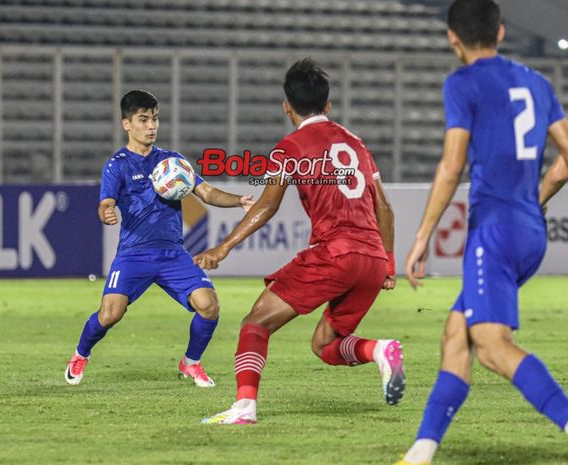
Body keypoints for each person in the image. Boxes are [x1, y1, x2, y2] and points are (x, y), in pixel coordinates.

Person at [395, 1, 568, 464]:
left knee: (491, 346)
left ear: (453, 37)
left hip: (493, 230)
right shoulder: (536, 82)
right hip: (529, 230)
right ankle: (422, 450)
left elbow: (452, 166)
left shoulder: (462, 83)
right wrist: (538, 197)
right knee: (457, 335)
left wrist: (421, 237)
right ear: (502, 32)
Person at [196, 58, 402, 425]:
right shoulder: (357, 145)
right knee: (324, 344)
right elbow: (384, 208)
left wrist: (223, 247)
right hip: (371, 258)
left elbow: (267, 205)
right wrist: (388, 260)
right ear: (328, 105)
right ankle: (379, 350)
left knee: (255, 324)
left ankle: (244, 407)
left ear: (286, 105)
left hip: (334, 254)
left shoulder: (290, 148)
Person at [64, 90, 254, 388]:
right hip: (133, 253)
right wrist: (107, 212)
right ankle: (80, 354)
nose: (151, 126)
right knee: (111, 314)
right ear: (127, 124)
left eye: (155, 119)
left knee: (209, 305)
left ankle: (191, 363)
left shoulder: (173, 161)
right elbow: (105, 204)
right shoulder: (118, 164)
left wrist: (238, 200)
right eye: (143, 120)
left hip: (172, 253)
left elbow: (205, 193)